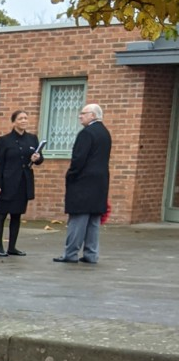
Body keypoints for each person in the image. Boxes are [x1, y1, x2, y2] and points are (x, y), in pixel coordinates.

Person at [55, 102, 112, 264]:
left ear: (93, 115)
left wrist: (70, 175)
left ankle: (70, 253)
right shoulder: (105, 133)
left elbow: (79, 159)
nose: (80, 116)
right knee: (93, 220)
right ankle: (91, 254)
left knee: (78, 218)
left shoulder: (86, 133)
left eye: (83, 113)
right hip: (100, 182)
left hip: (83, 181)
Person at [0, 109, 43, 256]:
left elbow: (39, 160)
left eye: (26, 118)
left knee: (16, 215)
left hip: (23, 183)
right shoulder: (4, 140)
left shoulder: (32, 139)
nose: (24, 121)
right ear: (14, 122)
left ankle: (12, 247)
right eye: (20, 118)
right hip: (7, 183)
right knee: (1, 215)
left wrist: (37, 158)